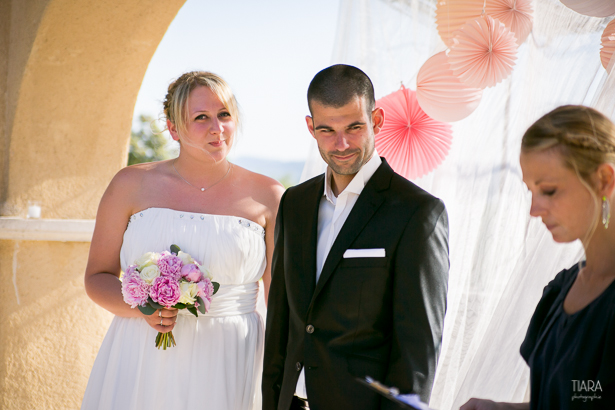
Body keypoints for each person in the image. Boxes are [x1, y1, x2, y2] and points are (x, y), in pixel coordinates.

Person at [81, 71, 284, 410]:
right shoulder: (130, 184)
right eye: (201, 117)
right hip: (142, 354)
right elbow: (96, 277)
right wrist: (142, 308)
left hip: (230, 355)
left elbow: (280, 299)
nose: (217, 127)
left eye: (224, 115)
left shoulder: (269, 195)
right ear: (173, 127)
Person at [262, 64, 450, 410]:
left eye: (354, 127)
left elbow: (417, 351)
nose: (342, 143)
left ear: (377, 120)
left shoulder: (417, 212)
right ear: (310, 127)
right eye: (327, 130)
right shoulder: (294, 203)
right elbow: (281, 323)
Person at [461, 105, 615, 410]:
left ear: (603, 180)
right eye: (531, 191)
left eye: (549, 190)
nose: (534, 209)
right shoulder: (559, 290)